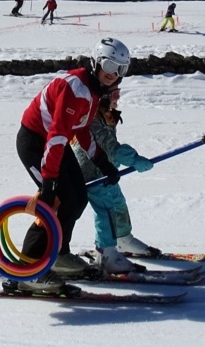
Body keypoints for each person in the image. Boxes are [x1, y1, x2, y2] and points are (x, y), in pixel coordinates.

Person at [10, 37, 131, 294]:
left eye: (121, 69)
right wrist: (49, 181)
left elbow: (82, 131)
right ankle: (28, 269)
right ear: (96, 62)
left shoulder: (93, 90)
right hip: (36, 143)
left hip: (56, 144)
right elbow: (56, 135)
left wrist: (101, 161)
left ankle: (60, 254)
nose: (114, 74)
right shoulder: (77, 88)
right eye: (110, 66)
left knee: (77, 197)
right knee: (54, 202)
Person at [73, 87, 161, 268]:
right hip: (91, 175)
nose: (118, 97)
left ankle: (123, 239)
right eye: (114, 94)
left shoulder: (107, 115)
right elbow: (112, 147)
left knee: (118, 203)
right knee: (105, 209)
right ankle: (106, 253)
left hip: (106, 173)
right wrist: (134, 160)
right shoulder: (92, 121)